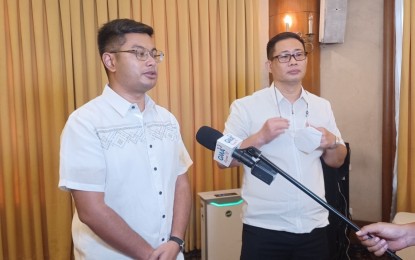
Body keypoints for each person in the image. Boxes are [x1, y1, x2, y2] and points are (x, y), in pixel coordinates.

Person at [59, 19, 192, 260]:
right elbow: (91, 210)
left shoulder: (167, 119)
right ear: (110, 61)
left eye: (153, 54)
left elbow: (180, 182)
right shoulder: (85, 122)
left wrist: (176, 240)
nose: (151, 61)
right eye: (139, 54)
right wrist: (149, 255)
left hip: (169, 253)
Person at [219, 31, 348, 259]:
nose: (293, 61)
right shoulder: (245, 106)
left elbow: (337, 161)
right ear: (270, 65)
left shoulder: (322, 106)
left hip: (314, 224)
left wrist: (332, 143)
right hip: (265, 227)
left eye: (299, 55)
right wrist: (259, 137)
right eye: (284, 56)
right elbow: (223, 160)